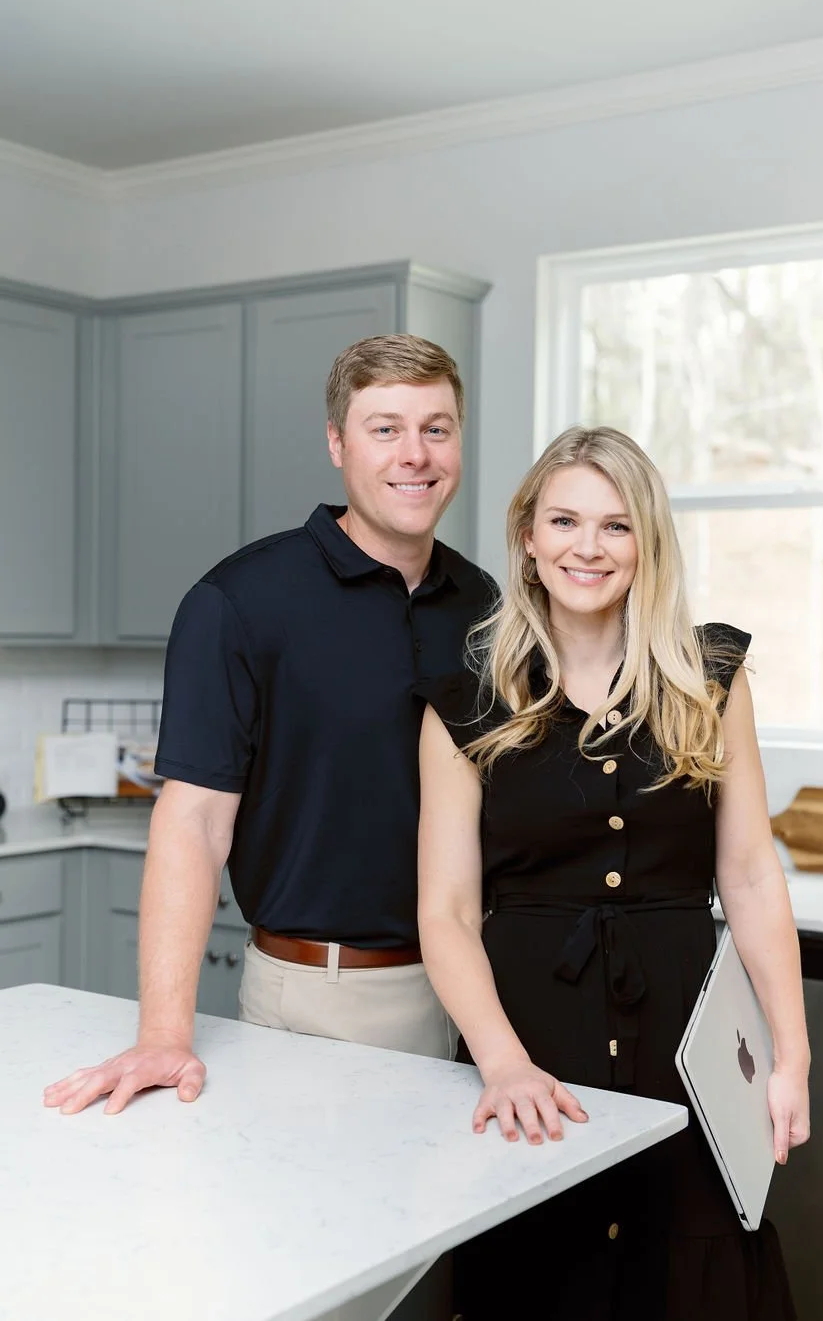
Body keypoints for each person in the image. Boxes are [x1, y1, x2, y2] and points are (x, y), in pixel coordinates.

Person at [43, 334, 496, 1118]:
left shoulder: (485, 604)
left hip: (472, 995)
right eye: (385, 428)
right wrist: (161, 1030)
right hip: (316, 994)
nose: (415, 454)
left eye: (437, 428)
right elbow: (193, 821)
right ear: (336, 442)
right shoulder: (241, 601)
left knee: (445, 1240)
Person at [414, 425, 810, 1321]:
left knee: (693, 1272)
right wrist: (503, 1065)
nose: (587, 547)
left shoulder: (710, 677)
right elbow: (444, 910)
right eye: (564, 520)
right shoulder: (464, 702)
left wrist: (792, 1054)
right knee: (544, 1275)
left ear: (648, 543)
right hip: (532, 1044)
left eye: (616, 525)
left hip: (689, 1041)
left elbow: (749, 874)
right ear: (527, 536)